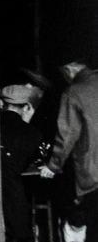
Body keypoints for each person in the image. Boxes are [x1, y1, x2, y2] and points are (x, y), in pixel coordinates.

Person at [40, 60, 98, 231]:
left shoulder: (73, 91)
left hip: (93, 164)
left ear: (69, 68)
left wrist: (53, 165)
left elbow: (68, 133)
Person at [0, 84, 44, 242]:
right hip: (13, 205)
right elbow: (34, 161)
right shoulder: (32, 133)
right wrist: (26, 123)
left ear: (2, 104)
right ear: (27, 107)